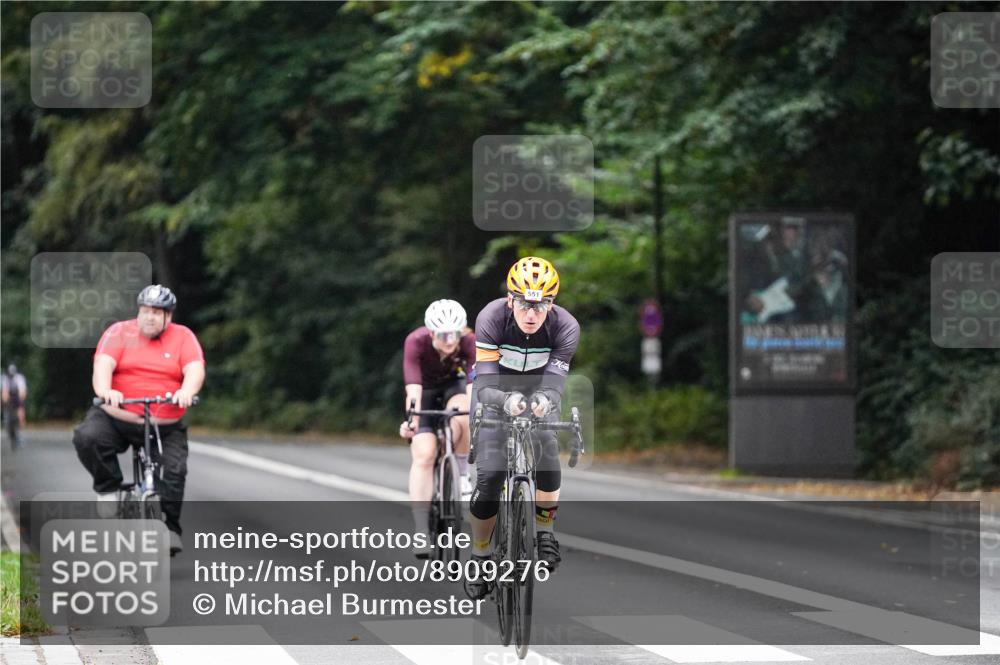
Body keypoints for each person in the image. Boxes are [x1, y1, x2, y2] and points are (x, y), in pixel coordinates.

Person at [466, 257, 580, 600]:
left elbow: (554, 383)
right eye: (525, 304)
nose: (532, 314)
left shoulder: (566, 327)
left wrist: (544, 400)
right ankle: (481, 554)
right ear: (511, 300)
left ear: (552, 304)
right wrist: (505, 401)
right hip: (493, 391)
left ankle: (545, 532)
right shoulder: (490, 318)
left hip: (538, 391)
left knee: (546, 446)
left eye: (541, 305)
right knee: (490, 477)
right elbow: (484, 383)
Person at [72, 285, 205, 556]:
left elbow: (194, 369)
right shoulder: (119, 332)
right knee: (88, 437)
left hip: (164, 423)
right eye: (145, 311)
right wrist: (106, 391)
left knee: (174, 471)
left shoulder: (183, 337)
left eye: (157, 312)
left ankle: (170, 528)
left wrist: (186, 392)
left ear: (169, 316)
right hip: (117, 415)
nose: (150, 317)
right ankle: (108, 487)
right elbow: (103, 366)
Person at [399, 299, 475, 558]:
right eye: (443, 335)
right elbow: (413, 388)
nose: (450, 340)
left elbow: (474, 386)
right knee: (424, 454)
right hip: (426, 393)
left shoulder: (468, 341)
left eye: (455, 333)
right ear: (431, 332)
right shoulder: (416, 341)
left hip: (455, 387)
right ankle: (421, 529)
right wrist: (412, 421)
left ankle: (462, 475)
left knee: (465, 411)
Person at [1, 364, 28, 446]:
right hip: (9, 397)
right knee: (4, 405)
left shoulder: (19, 378)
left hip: (17, 396)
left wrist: (20, 401)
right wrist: (5, 400)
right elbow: (4, 391)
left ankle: (21, 424)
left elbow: (22, 391)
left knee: (20, 410)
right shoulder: (5, 379)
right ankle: (6, 421)